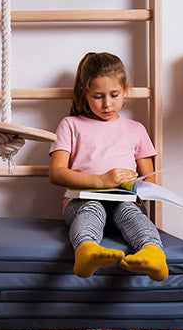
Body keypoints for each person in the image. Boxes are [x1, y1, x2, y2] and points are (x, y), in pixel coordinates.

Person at [48, 52, 168, 281]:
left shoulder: (136, 129)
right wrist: (101, 181)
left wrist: (132, 184)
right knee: (91, 207)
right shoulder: (71, 124)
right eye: (97, 96)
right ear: (85, 93)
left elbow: (150, 181)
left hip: (124, 200)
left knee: (130, 211)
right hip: (81, 201)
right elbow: (56, 173)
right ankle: (87, 251)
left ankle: (152, 253)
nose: (107, 104)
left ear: (125, 89)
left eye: (114, 95)